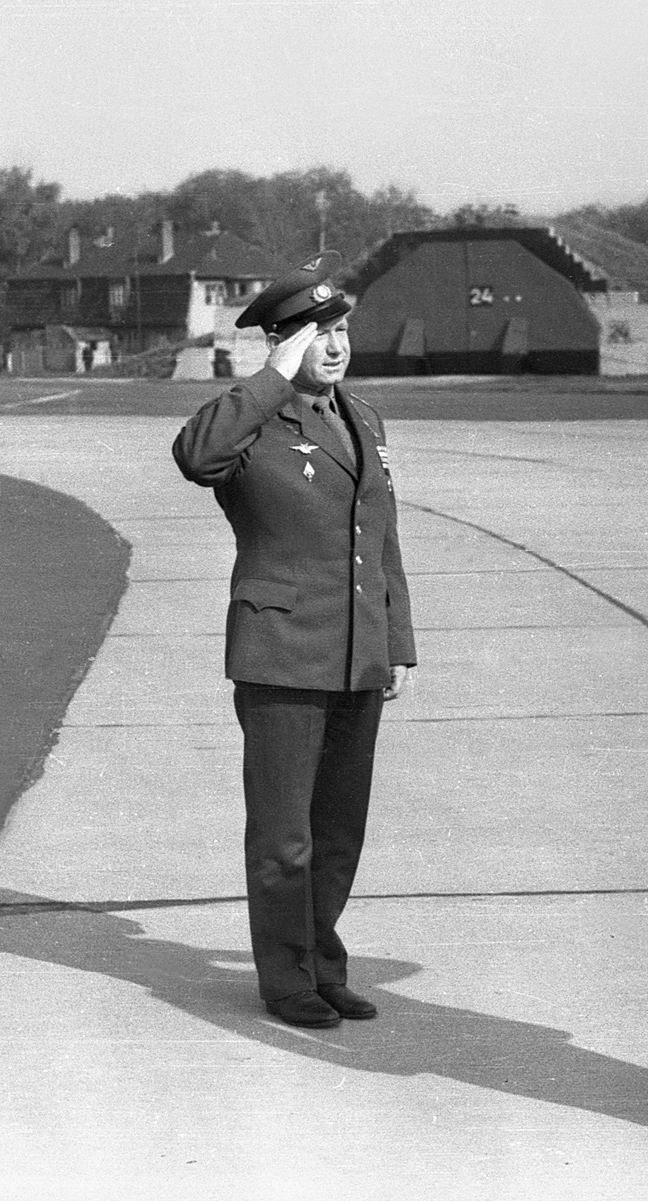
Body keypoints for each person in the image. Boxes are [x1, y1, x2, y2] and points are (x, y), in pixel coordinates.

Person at [172, 252, 417, 1029]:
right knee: (285, 834)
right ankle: (285, 979)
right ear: (282, 344)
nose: (337, 346)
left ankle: (324, 964)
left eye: (342, 329)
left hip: (356, 653)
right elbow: (196, 455)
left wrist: (398, 640)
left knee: (339, 828)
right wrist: (271, 378)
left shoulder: (363, 418)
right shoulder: (251, 420)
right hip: (282, 653)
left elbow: (381, 537)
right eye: (318, 334)